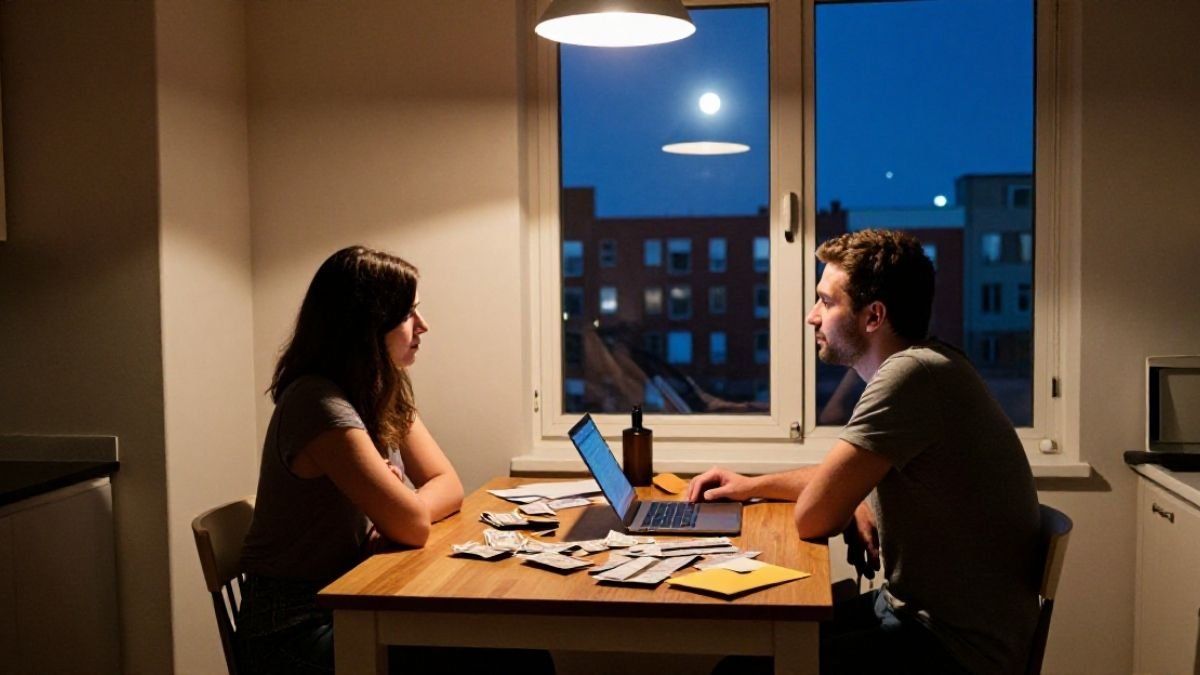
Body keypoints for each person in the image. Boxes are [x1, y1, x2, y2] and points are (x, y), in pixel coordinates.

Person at [689, 230, 1041, 675]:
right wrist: (751, 486)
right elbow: (846, 475)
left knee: (740, 671)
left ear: (873, 316)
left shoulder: (910, 377)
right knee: (759, 650)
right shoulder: (932, 362)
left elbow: (814, 516)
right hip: (922, 618)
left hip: (953, 650)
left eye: (826, 301)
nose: (811, 317)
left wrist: (846, 497)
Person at [237, 246, 554, 675]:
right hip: (298, 624)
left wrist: (399, 503)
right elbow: (412, 525)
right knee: (510, 657)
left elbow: (447, 482)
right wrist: (399, 509)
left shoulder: (382, 389)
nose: (423, 326)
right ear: (368, 325)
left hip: (355, 596)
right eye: (407, 315)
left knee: (516, 648)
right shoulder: (318, 403)